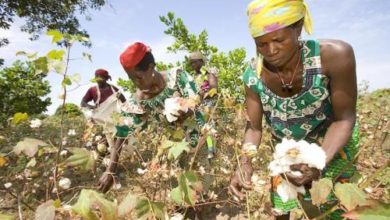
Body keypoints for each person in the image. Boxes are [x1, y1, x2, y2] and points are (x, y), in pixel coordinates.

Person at [229, 0, 358, 219]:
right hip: (287, 155)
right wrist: (244, 164)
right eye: (261, 44)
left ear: (297, 28)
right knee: (281, 207)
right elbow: (254, 129)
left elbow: (344, 119)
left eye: (278, 40)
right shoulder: (252, 76)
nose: (271, 50)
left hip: (332, 147)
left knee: (336, 209)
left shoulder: (334, 56)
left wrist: (318, 162)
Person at [98, 42, 212, 197]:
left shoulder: (176, 76)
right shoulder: (137, 101)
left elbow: (195, 100)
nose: (136, 83)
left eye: (138, 77)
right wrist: (110, 170)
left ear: (151, 67)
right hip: (174, 147)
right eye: (131, 79)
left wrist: (185, 108)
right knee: (181, 188)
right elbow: (122, 132)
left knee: (201, 183)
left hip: (199, 138)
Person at [189, 51, 219, 159]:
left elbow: (214, 89)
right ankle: (198, 150)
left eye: (194, 62)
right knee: (199, 128)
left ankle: (211, 150)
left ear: (201, 61)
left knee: (208, 127)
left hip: (208, 104)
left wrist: (204, 93)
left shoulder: (209, 73)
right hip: (197, 105)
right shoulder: (193, 77)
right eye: (191, 63)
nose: (192, 65)